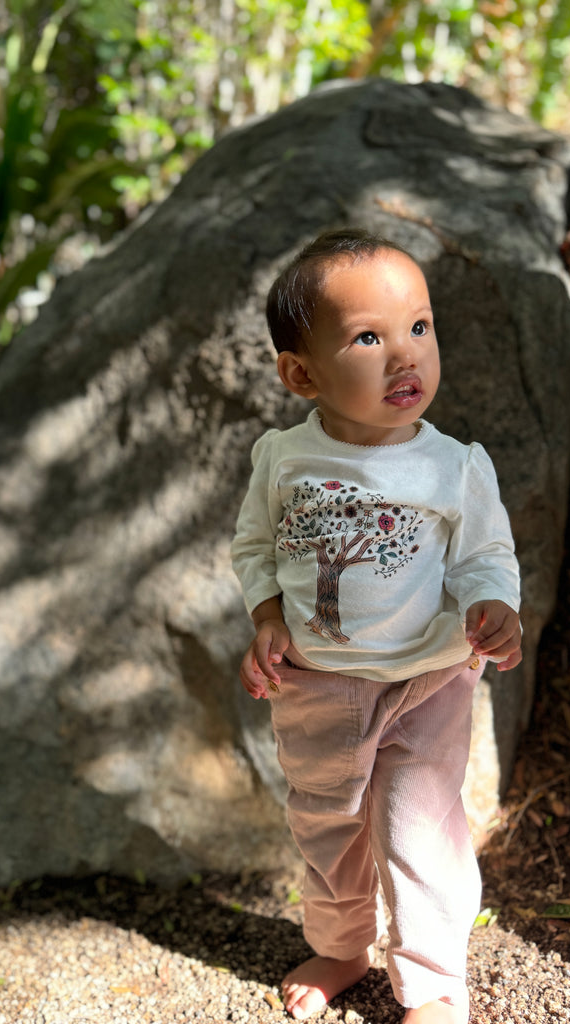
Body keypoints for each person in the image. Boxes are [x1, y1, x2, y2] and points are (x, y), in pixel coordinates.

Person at [230, 228, 521, 1024]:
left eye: (419, 328)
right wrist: (265, 617)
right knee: (326, 829)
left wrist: (493, 607)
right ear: (301, 374)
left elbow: (486, 555)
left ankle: (433, 986)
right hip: (316, 686)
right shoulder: (282, 459)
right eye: (368, 337)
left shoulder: (453, 465)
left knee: (417, 829)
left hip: (426, 678)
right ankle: (342, 946)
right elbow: (256, 547)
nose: (406, 357)